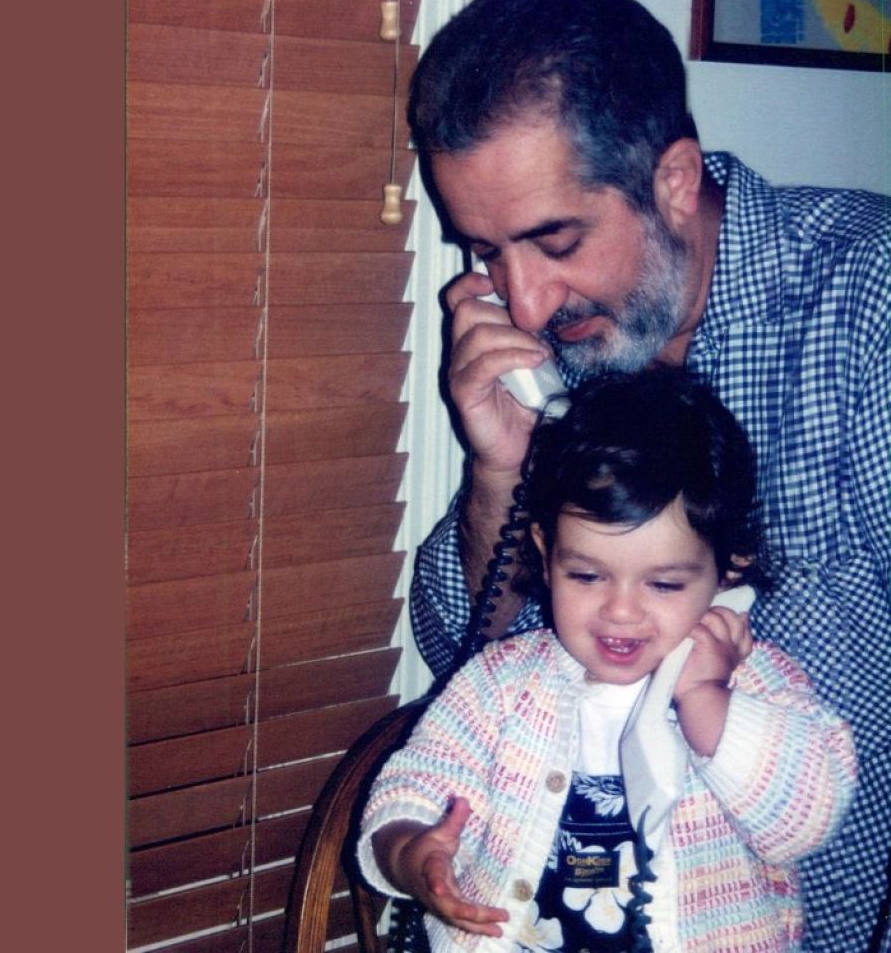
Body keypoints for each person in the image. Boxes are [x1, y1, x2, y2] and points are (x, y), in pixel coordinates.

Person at [407, 0, 891, 952]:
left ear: (675, 181)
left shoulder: (887, 301)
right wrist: (497, 478)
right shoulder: (561, 355)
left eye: (555, 239)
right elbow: (469, 662)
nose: (522, 304)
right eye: (486, 252)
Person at [361, 369, 858, 952]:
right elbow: (413, 791)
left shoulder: (759, 685)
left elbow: (806, 820)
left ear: (729, 570)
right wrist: (412, 853)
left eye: (665, 584)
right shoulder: (500, 683)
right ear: (546, 555)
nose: (620, 612)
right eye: (588, 575)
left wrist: (708, 700)